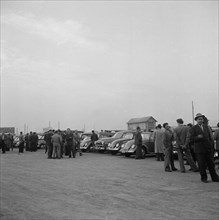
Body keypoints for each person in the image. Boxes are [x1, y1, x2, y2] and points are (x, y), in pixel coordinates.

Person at [189, 113, 219, 183]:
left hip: (208, 148)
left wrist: (211, 147)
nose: (200, 120)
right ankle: (204, 178)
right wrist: (197, 137)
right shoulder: (193, 128)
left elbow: (210, 137)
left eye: (201, 119)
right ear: (196, 120)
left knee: (211, 164)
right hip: (199, 149)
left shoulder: (206, 127)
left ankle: (215, 177)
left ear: (203, 120)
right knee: (201, 164)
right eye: (199, 119)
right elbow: (191, 139)